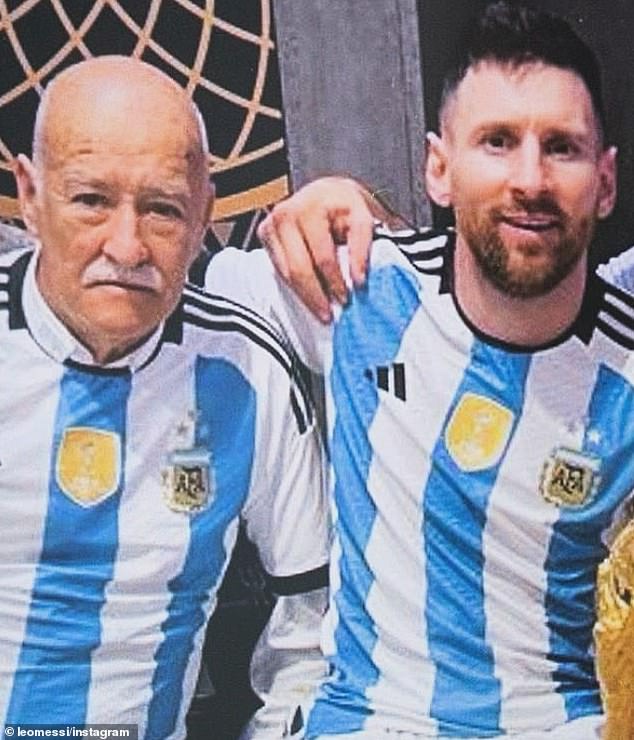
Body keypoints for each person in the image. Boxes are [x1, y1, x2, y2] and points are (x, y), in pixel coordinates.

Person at [202, 2, 634, 737]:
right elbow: (174, 305)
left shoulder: (625, 368)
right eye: (497, 141)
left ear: (605, 181)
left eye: (561, 147)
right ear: (439, 167)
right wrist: (307, 211)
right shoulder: (357, 289)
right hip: (366, 721)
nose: (530, 178)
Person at [0, 56, 329, 739]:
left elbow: (313, 630)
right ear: (30, 196)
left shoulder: (247, 369)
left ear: (203, 214)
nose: (127, 247)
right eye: (91, 200)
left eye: (162, 209)